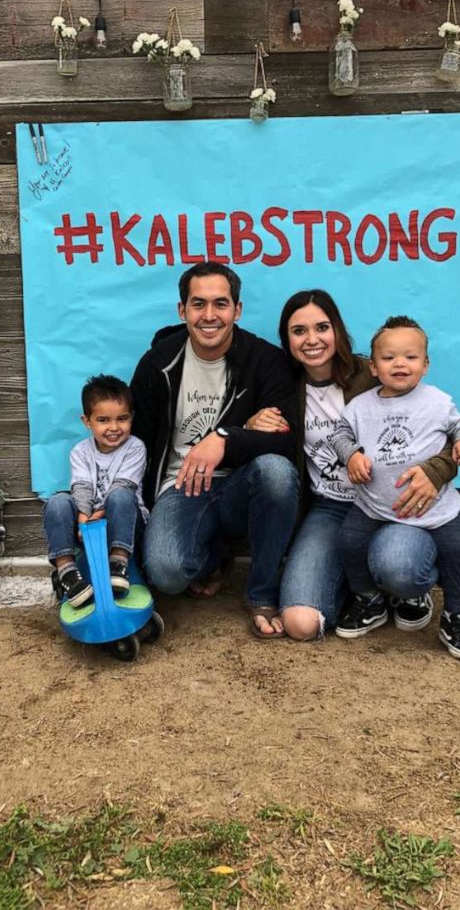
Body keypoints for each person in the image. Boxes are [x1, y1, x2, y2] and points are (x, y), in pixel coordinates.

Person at [248, 289, 458, 642]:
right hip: (331, 509)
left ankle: (408, 588)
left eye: (322, 327)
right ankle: (362, 592)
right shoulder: (284, 386)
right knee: (301, 623)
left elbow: (448, 433)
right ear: (287, 339)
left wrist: (434, 473)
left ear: (338, 331)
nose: (312, 340)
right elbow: (246, 427)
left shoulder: (373, 373)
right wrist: (252, 422)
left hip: (392, 504)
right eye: (299, 331)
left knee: (399, 567)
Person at [130, 262, 299, 638]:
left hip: (242, 483)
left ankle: (262, 594)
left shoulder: (265, 361)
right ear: (182, 310)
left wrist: (225, 437)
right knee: (168, 573)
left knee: (276, 471)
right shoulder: (158, 363)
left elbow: (286, 441)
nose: (209, 316)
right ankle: (213, 555)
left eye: (220, 304)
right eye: (198, 304)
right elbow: (138, 441)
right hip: (181, 487)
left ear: (237, 310)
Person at [332, 316, 460, 662]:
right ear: (373, 367)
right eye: (389, 358)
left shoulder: (438, 401)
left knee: (458, 552)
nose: (400, 363)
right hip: (373, 505)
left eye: (411, 357)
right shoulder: (360, 407)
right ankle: (369, 599)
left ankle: (457, 616)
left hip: (437, 510)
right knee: (348, 542)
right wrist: (351, 455)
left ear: (426, 365)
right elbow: (340, 436)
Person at [43, 374, 148, 607]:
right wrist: (82, 517)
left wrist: (92, 518)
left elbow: (124, 485)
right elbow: (81, 486)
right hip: (88, 524)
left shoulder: (135, 447)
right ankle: (67, 573)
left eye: (122, 419)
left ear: (131, 417)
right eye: (103, 420)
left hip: (125, 524)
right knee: (57, 502)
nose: (113, 428)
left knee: (120, 496)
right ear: (87, 421)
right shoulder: (80, 452)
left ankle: (118, 564)